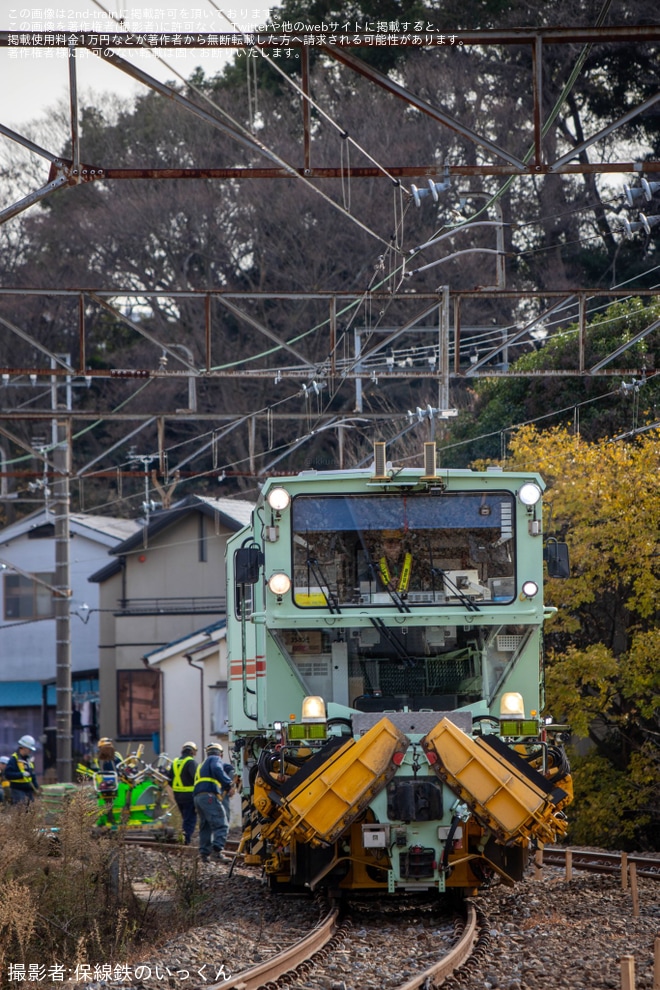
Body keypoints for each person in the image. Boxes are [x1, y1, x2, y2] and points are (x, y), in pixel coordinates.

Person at [193, 742, 234, 864]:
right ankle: (217, 851)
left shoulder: (201, 765)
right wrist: (228, 784)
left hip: (198, 798)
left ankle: (204, 854)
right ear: (220, 754)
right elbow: (217, 768)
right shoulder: (215, 759)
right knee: (222, 823)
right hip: (209, 796)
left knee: (205, 826)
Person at [168, 741, 199, 845]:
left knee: (185, 817)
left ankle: (184, 836)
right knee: (190, 818)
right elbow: (196, 778)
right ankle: (186, 839)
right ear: (191, 751)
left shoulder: (175, 762)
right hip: (189, 795)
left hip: (178, 795)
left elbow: (169, 779)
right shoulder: (191, 762)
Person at [4, 735, 39, 804]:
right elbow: (8, 774)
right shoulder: (14, 760)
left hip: (28, 790)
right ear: (23, 747)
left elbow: (32, 774)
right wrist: (21, 774)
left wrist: (36, 786)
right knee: (21, 809)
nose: (30, 751)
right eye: (29, 749)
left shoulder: (28, 760)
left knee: (30, 810)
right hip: (17, 790)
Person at [378, 528, 414, 595]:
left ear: (401, 545)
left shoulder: (414, 564)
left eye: (397, 542)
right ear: (383, 545)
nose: (393, 545)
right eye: (389, 542)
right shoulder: (375, 567)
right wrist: (386, 589)